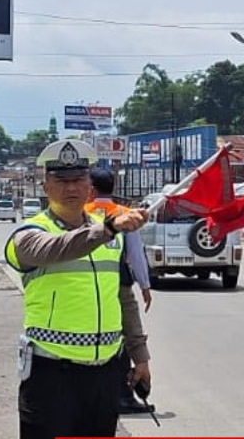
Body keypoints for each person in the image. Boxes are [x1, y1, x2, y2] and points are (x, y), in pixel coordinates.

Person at [4, 139, 151, 439]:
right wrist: (108, 228)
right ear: (46, 187)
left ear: (90, 188)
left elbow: (124, 297)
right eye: (61, 181)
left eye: (78, 180)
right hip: (51, 374)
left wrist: (140, 356)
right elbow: (57, 248)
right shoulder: (30, 234)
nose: (70, 188)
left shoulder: (110, 236)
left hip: (104, 374)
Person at [84, 168, 155, 415]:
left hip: (88, 284)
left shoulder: (82, 213)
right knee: (128, 335)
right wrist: (144, 285)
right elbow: (135, 254)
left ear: (91, 189)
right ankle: (125, 394)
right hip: (120, 285)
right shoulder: (124, 214)